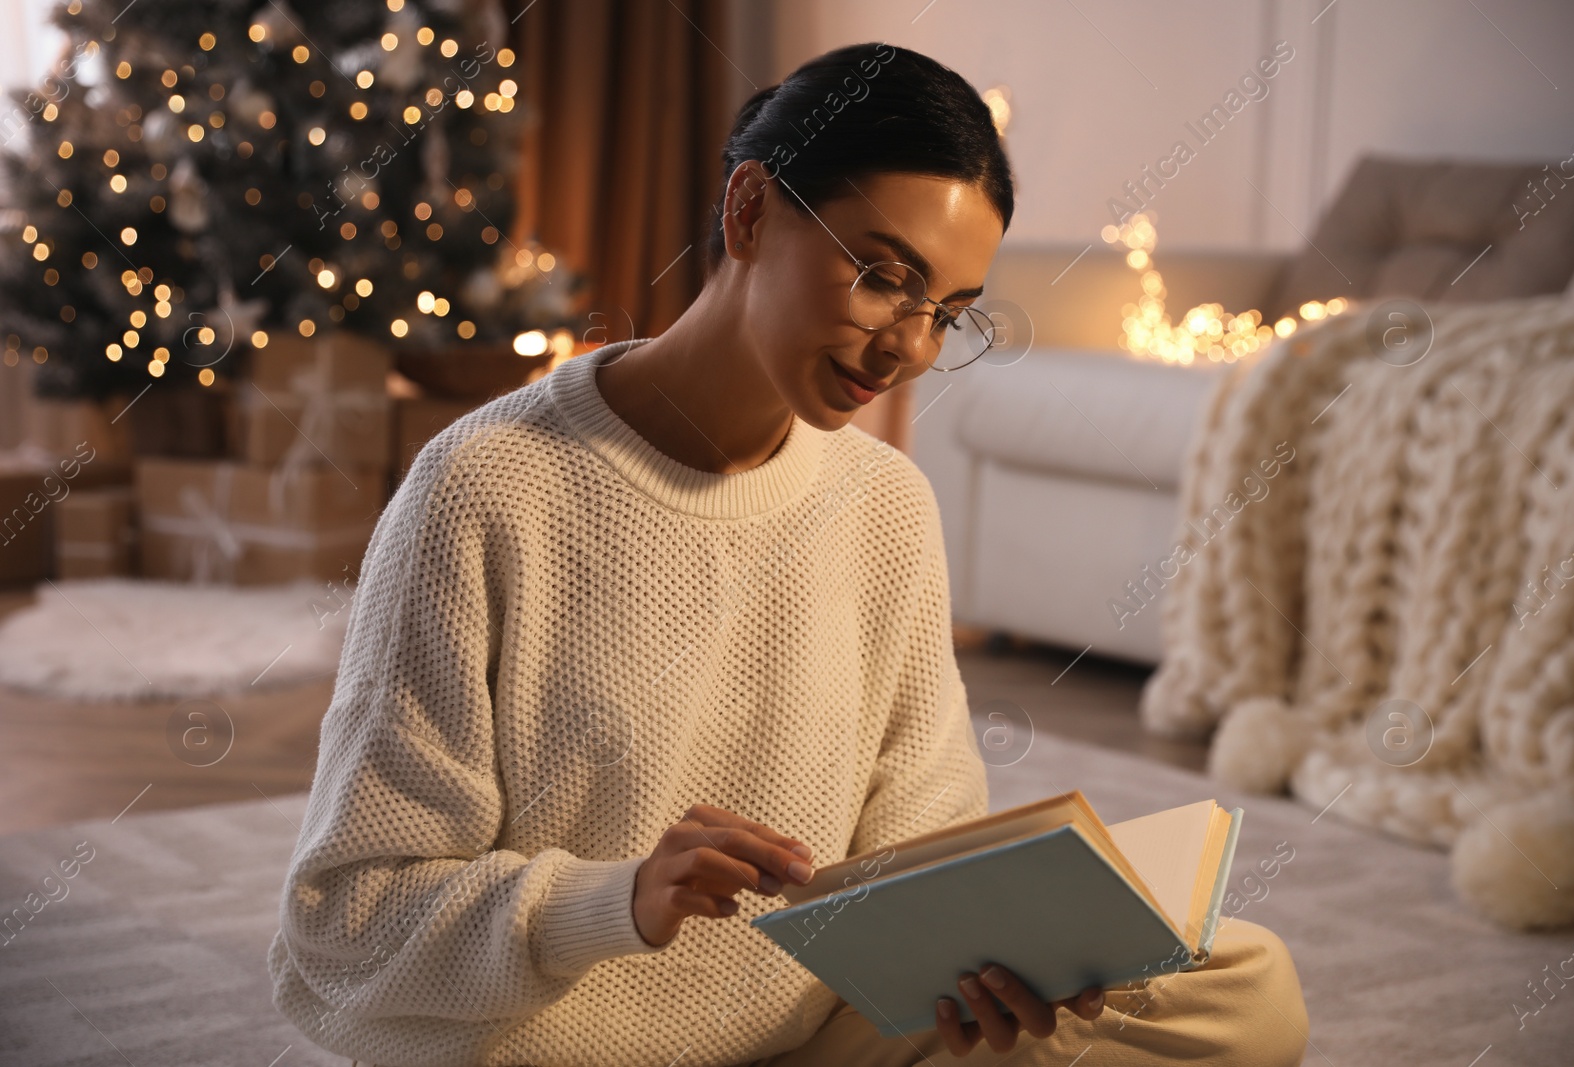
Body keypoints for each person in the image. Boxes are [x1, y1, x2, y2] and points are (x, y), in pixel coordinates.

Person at [269, 40, 1311, 1067]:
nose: (907, 346)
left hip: (816, 1032)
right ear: (750, 211)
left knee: (1242, 984)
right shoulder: (484, 487)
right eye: (881, 276)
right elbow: (347, 923)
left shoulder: (884, 502)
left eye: (946, 313)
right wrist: (619, 897)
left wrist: (988, 963)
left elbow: (924, 846)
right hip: (542, 1041)